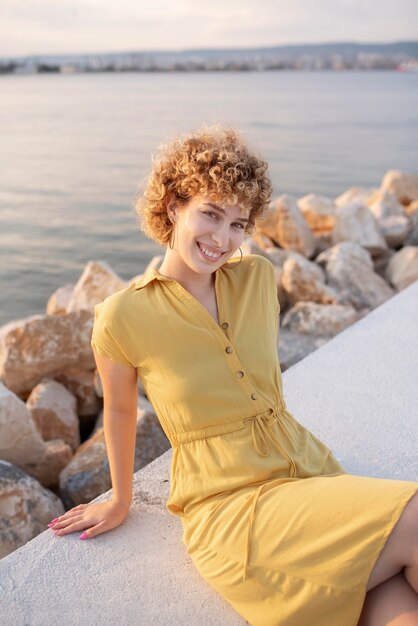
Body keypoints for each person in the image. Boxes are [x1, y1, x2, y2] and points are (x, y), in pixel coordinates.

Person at [47, 125, 418, 625]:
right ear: (174, 203)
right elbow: (116, 408)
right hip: (230, 504)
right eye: (211, 214)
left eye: (239, 224)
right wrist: (120, 497)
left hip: (306, 468)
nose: (223, 239)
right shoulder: (121, 316)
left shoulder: (260, 279)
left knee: (396, 604)